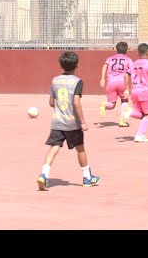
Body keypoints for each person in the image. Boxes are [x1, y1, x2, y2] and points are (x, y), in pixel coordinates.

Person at [37, 51, 100, 191]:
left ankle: (44, 174)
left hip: (57, 122)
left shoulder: (55, 80)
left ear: (61, 65)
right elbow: (76, 102)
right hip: (73, 123)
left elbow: (51, 102)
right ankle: (87, 177)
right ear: (76, 65)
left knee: (54, 148)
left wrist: (60, 108)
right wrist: (83, 122)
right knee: (80, 149)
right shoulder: (77, 81)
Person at [121, 43, 148, 143]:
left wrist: (127, 88)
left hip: (134, 91)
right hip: (144, 91)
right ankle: (139, 135)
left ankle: (130, 113)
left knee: (140, 114)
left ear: (138, 52)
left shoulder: (134, 63)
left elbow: (126, 75)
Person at [99, 41, 134, 127]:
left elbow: (104, 66)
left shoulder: (110, 58)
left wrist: (103, 78)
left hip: (111, 83)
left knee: (111, 104)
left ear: (116, 49)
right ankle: (122, 121)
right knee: (124, 100)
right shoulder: (128, 59)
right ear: (126, 50)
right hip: (122, 83)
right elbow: (132, 70)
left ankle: (104, 105)